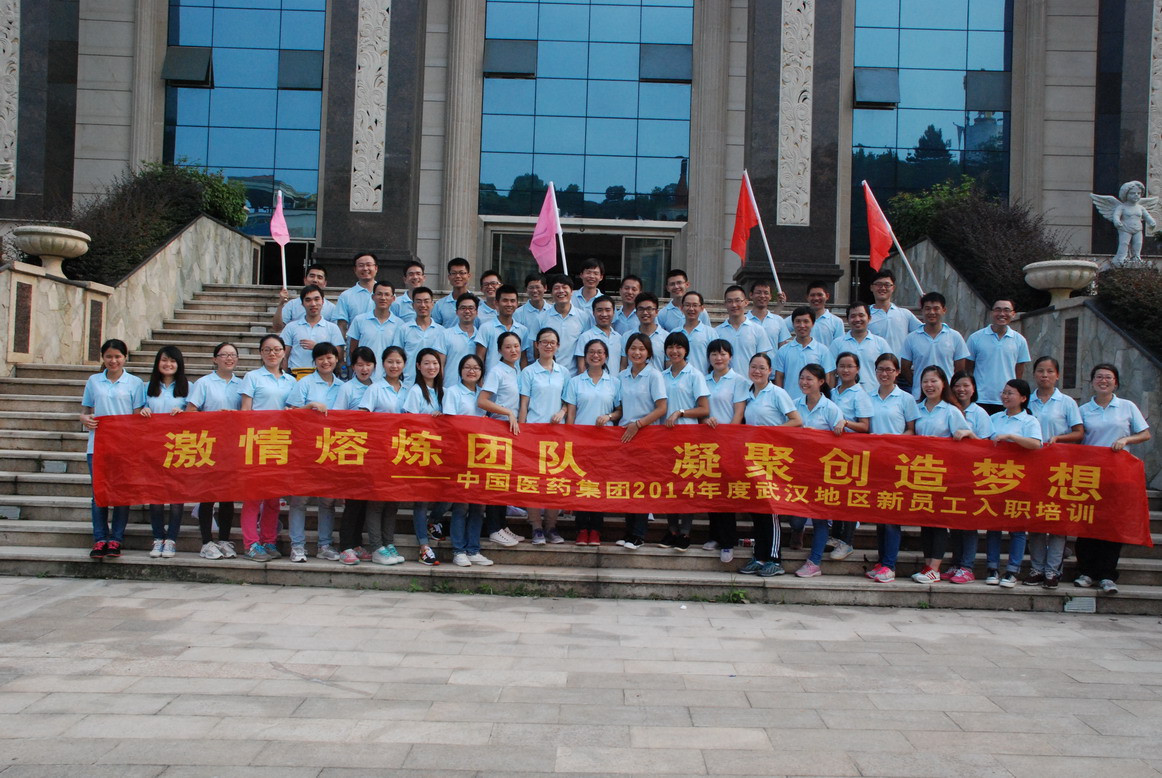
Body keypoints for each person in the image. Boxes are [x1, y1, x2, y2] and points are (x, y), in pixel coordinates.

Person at [1074, 363, 1151, 594]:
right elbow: (1077, 437)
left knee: (1113, 524)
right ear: (1092, 382)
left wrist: (1126, 440)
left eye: (1108, 377)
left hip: (1118, 475)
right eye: (1099, 377)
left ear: (1115, 382)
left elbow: (1145, 434)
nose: (1103, 381)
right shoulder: (1083, 410)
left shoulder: (1127, 406)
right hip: (1090, 475)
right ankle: (1086, 571)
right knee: (1087, 522)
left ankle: (1107, 574)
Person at [737, 353, 802, 574]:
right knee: (757, 508)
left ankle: (775, 559)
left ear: (770, 371)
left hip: (773, 458)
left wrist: (770, 432)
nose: (757, 371)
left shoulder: (777, 393)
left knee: (771, 508)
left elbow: (796, 420)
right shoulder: (748, 394)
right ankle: (759, 556)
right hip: (754, 457)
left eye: (762, 368)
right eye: (753, 367)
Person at [81, 339, 145, 559]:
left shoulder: (135, 383)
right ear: (103, 358)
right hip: (98, 445)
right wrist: (84, 419)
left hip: (124, 446)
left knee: (121, 493)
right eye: (109, 356)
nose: (113, 360)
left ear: (125, 357)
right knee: (98, 493)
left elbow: (137, 416)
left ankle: (116, 539)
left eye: (118, 356)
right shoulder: (94, 381)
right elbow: (85, 410)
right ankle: (100, 538)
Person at [1025, 356, 1084, 588]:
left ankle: (1052, 571)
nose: (1045, 375)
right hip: (1032, 467)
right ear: (1034, 374)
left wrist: (1059, 439)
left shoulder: (1067, 402)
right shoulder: (1027, 400)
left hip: (1060, 467)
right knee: (1036, 521)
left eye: (1050, 371)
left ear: (1057, 375)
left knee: (1057, 521)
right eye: (1040, 371)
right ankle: (1037, 568)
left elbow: (1079, 432)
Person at [910, 365, 973, 584]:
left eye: (934, 381)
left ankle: (935, 568)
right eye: (925, 381)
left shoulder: (951, 411)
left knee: (937, 520)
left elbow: (969, 440)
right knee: (925, 520)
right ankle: (928, 564)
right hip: (921, 472)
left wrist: (965, 433)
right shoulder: (917, 409)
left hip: (942, 474)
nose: (929, 385)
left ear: (943, 384)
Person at [238, 334, 298, 562]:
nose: (272, 353)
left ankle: (269, 540)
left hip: (280, 443)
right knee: (253, 497)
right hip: (257, 441)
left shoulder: (291, 381)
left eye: (276, 349)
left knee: (273, 499)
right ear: (260, 353)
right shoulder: (252, 377)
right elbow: (245, 410)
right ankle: (251, 544)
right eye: (267, 349)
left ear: (284, 352)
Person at [285, 342, 345, 563]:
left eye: (329, 357)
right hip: (305, 448)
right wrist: (308, 407)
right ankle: (297, 546)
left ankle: (325, 545)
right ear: (314, 361)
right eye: (320, 358)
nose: (325, 362)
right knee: (299, 500)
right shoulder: (304, 383)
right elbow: (290, 414)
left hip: (331, 449)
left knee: (327, 501)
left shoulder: (343, 386)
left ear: (336, 359)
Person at [983, 378, 1044, 587]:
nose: (1005, 396)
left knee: (1017, 526)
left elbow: (1036, 444)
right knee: (993, 524)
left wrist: (1011, 437)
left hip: (1020, 479)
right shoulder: (994, 418)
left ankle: (1012, 570)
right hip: (994, 477)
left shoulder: (1029, 421)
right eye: (1004, 392)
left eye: (1010, 393)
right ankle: (992, 567)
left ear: (1023, 398)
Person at [865, 353, 919, 583]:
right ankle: (882, 561)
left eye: (889, 369)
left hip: (896, 464)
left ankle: (890, 564)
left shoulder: (906, 398)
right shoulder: (868, 396)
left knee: (891, 516)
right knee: (879, 515)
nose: (884, 374)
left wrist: (894, 443)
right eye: (880, 369)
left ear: (897, 372)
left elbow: (912, 429)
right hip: (874, 463)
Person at [188, 341, 243, 559]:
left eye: (233, 355)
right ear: (214, 359)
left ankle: (224, 539)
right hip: (209, 445)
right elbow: (191, 412)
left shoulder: (242, 384)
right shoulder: (204, 383)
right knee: (208, 495)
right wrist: (213, 419)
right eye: (224, 355)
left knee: (228, 496)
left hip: (232, 446)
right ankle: (206, 542)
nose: (229, 359)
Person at [564, 339, 622, 546]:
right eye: (591, 352)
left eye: (600, 352)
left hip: (605, 442)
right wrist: (569, 439)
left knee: (599, 486)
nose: (595, 356)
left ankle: (596, 529)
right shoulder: (575, 382)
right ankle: (582, 529)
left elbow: (619, 411)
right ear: (585, 355)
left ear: (606, 356)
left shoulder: (614, 382)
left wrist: (609, 416)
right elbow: (571, 414)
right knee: (582, 485)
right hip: (581, 441)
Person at [791, 364, 846, 578]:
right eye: (802, 378)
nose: (804, 382)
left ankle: (814, 561)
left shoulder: (830, 408)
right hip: (797, 469)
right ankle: (798, 532)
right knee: (795, 519)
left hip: (821, 471)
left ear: (821, 382)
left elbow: (842, 442)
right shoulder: (795, 404)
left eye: (809, 379)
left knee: (819, 517)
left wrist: (818, 437)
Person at [657, 332, 710, 551]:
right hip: (665, 437)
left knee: (687, 486)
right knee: (670, 485)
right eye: (670, 347)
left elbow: (704, 409)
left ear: (686, 350)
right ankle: (672, 530)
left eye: (679, 347)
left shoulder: (694, 375)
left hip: (688, 437)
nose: (674, 351)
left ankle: (686, 533)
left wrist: (680, 412)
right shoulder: (661, 375)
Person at [616, 333, 668, 550]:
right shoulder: (621, 376)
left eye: (641, 349)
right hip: (625, 436)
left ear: (649, 353)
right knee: (628, 485)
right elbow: (619, 408)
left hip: (646, 435)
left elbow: (662, 408)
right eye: (633, 348)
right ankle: (628, 532)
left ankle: (638, 535)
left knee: (642, 485)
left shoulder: (654, 376)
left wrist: (639, 424)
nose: (637, 353)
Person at [518, 327, 569, 544]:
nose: (548, 345)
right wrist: (521, 432)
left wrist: (562, 412)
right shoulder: (528, 372)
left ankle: (551, 526)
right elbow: (524, 404)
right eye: (544, 342)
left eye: (552, 342)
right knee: (533, 482)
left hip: (557, 434)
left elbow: (568, 402)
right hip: (533, 432)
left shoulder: (564, 372)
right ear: (536, 345)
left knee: (555, 482)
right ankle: (536, 526)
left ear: (558, 346)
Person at [442, 354, 494, 567]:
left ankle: (473, 549)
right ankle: (458, 550)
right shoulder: (452, 392)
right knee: (461, 506)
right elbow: (449, 423)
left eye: (476, 368)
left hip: (480, 457)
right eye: (467, 367)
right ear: (460, 370)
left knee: (478, 507)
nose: (471, 371)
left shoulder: (484, 396)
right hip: (460, 455)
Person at [359, 345, 408, 566]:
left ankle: (388, 543)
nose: (394, 366)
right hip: (379, 452)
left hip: (400, 453)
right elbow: (363, 418)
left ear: (404, 364)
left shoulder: (408, 390)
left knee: (393, 502)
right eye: (390, 362)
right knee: (377, 501)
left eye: (398, 362)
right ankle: (376, 546)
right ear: (383, 364)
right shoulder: (375, 389)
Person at [942, 370, 993, 583]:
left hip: (973, 474)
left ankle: (967, 566)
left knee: (969, 521)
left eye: (966, 385)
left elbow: (988, 446)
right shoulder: (948, 409)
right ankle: (956, 563)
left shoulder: (979, 413)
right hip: (952, 473)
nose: (961, 390)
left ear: (974, 389)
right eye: (957, 385)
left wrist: (970, 435)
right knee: (954, 520)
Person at [140, 346, 190, 559]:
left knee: (176, 495)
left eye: (172, 361)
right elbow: (136, 411)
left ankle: (171, 539)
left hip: (179, 448)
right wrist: (143, 410)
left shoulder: (188, 387)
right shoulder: (146, 387)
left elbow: (196, 414)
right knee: (156, 495)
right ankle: (158, 537)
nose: (168, 364)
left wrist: (184, 412)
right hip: (154, 448)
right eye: (164, 360)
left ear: (179, 364)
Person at [702, 339, 748, 564]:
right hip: (707, 443)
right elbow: (701, 409)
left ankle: (728, 541)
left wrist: (728, 437)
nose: (718, 358)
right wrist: (705, 419)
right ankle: (715, 536)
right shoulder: (703, 380)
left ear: (730, 356)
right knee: (712, 490)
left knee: (727, 492)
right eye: (714, 354)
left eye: (722, 354)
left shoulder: (739, 380)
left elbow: (739, 412)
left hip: (729, 443)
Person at [477, 331, 524, 545]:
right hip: (497, 430)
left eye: (516, 346)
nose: (513, 350)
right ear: (499, 350)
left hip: (511, 431)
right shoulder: (497, 371)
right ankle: (494, 528)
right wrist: (508, 412)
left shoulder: (517, 370)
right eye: (508, 347)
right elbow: (483, 401)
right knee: (496, 480)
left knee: (505, 481)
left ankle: (502, 525)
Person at [334, 346, 378, 565]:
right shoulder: (347, 388)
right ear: (352, 367)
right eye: (360, 365)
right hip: (352, 449)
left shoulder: (377, 387)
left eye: (368, 364)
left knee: (364, 500)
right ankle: (345, 546)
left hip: (374, 451)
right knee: (352, 501)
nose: (364, 369)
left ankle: (357, 543)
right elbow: (338, 418)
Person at [827, 351, 873, 560]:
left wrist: (846, 423)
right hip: (834, 453)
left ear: (857, 369)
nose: (845, 370)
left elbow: (865, 426)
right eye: (842, 366)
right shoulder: (832, 392)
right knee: (836, 494)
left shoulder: (860, 394)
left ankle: (847, 541)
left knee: (849, 496)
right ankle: (836, 536)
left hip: (853, 451)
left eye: (850, 366)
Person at [404, 348, 445, 566]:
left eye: (435, 363)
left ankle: (433, 521)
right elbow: (409, 423)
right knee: (421, 500)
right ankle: (423, 546)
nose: (431, 367)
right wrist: (430, 420)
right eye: (427, 363)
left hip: (441, 453)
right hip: (421, 451)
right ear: (418, 366)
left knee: (448, 495)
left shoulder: (443, 391)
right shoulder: (415, 391)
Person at [965, 299, 1030, 415]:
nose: (1002, 314)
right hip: (980, 399)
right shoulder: (975, 338)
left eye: (1006, 310)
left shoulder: (1020, 340)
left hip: (1007, 400)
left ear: (1013, 314)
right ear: (991, 313)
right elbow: (968, 369)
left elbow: (1019, 372)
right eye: (998, 310)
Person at [900, 291, 969, 398]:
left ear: (944, 310)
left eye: (936, 308)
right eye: (927, 309)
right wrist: (918, 384)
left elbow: (960, 368)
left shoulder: (955, 336)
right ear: (922, 310)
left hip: (947, 396)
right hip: (920, 396)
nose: (932, 312)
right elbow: (905, 368)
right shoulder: (911, 338)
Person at [281, 284, 344, 378]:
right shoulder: (291, 327)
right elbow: (283, 356)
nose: (313, 304)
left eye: (316, 299)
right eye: (308, 300)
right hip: (297, 376)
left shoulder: (332, 328)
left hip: (324, 376)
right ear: (302, 303)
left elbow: (339, 356)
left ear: (323, 301)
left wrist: (317, 347)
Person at [773, 306, 835, 402]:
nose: (802, 325)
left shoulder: (823, 350)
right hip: (789, 403)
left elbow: (827, 377)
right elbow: (779, 377)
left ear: (813, 324)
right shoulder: (783, 350)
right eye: (798, 321)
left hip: (814, 404)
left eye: (806, 321)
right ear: (793, 324)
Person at [542, 274, 594, 377]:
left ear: (572, 291)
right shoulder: (542, 318)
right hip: (548, 375)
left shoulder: (583, 317)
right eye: (556, 288)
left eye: (564, 287)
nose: (561, 291)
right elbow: (537, 350)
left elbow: (586, 348)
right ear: (551, 292)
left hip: (573, 375)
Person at [829, 302, 891, 388]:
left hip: (873, 393)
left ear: (869, 318)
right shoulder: (837, 343)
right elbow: (831, 373)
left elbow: (889, 371)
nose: (857, 319)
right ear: (847, 319)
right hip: (845, 394)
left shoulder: (881, 343)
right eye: (853, 316)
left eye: (861, 315)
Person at [347, 281, 401, 378]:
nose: (383, 298)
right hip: (364, 377)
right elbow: (353, 349)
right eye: (379, 294)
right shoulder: (359, 320)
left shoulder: (400, 324)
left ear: (393, 299)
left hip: (388, 378)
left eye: (387, 294)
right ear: (373, 297)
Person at [714, 285, 773, 374]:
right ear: (725, 304)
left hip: (750, 381)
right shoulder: (717, 332)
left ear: (746, 302)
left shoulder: (758, 330)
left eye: (738, 301)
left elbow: (763, 361)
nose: (734, 305)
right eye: (730, 301)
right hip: (725, 381)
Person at [399, 286, 447, 387]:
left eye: (426, 301)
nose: (423, 305)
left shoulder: (442, 331)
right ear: (413, 305)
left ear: (432, 304)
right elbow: (398, 356)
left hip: (433, 386)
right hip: (408, 384)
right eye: (418, 301)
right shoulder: (403, 329)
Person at [476, 284, 529, 372]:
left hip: (515, 378)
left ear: (517, 304)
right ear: (496, 303)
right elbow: (480, 357)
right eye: (505, 300)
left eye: (512, 301)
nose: (509, 304)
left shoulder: (523, 330)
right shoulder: (486, 328)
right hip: (491, 379)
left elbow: (523, 359)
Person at [867, 269, 921, 354]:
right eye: (879, 284)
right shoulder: (865, 315)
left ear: (893, 288)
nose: (883, 288)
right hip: (874, 362)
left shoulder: (905, 314)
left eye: (887, 285)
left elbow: (924, 332)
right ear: (871, 287)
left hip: (899, 362)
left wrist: (927, 306)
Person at [273, 264, 338, 331]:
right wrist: (281, 304)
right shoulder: (292, 305)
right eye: (312, 276)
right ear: (305, 280)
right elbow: (277, 328)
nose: (315, 280)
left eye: (319, 277)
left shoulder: (332, 308)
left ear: (325, 283)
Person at [574, 295, 623, 376]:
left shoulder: (619, 338)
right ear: (593, 313)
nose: (604, 314)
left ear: (614, 312)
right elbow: (581, 367)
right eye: (599, 310)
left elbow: (622, 366)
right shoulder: (586, 337)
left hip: (615, 383)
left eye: (608, 310)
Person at [784, 280, 844, 346]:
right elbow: (779, 330)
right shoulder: (797, 318)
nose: (816, 298)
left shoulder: (836, 322)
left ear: (827, 296)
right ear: (807, 297)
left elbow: (839, 346)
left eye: (819, 295)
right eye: (812, 295)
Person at [335, 252, 379, 338]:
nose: (365, 268)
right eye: (361, 265)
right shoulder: (346, 296)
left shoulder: (386, 294)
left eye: (369, 265)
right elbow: (342, 325)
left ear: (376, 268)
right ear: (355, 269)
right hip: (355, 344)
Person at [623, 292, 668, 371]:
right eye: (641, 309)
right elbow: (623, 366)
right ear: (636, 312)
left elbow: (668, 368)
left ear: (656, 312)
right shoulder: (627, 336)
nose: (645, 313)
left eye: (649, 309)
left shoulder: (666, 337)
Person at [442, 293, 480, 386]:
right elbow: (440, 365)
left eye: (471, 308)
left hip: (475, 390)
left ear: (476, 312)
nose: (467, 311)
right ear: (457, 312)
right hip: (449, 388)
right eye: (463, 308)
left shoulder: (481, 336)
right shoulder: (445, 334)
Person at [746, 279, 790, 348]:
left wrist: (779, 306)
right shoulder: (744, 321)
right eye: (758, 292)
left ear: (770, 296)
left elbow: (783, 348)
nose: (762, 296)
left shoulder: (779, 320)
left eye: (766, 293)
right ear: (751, 295)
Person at [515, 272, 550, 360]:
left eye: (538, 287)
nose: (534, 291)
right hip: (525, 361)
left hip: (548, 361)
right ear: (526, 290)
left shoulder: (553, 311)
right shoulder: (518, 314)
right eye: (531, 288)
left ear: (545, 288)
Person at [678, 291, 714, 375]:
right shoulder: (675, 333)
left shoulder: (710, 333)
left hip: (703, 379)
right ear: (681, 308)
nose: (691, 309)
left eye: (695, 305)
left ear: (702, 308)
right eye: (687, 305)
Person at [433, 257, 473, 327]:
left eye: (461, 273)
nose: (458, 276)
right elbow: (436, 329)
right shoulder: (440, 305)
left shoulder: (478, 303)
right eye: (454, 273)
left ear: (468, 276)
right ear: (449, 277)